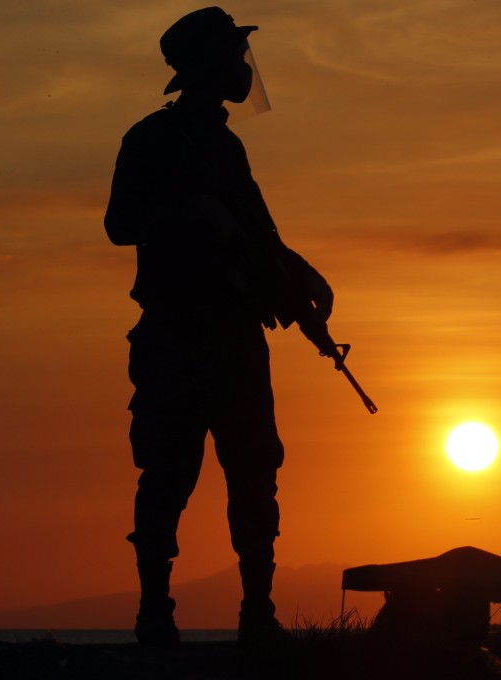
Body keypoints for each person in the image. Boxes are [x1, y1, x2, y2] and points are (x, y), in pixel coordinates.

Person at [104, 7, 335, 649]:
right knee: (167, 476)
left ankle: (256, 613)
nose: (244, 69)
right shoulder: (151, 139)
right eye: (235, 57)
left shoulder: (227, 145)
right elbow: (121, 224)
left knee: (255, 476)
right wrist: (189, 212)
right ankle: (155, 614)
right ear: (206, 65)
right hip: (176, 335)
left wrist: (302, 281)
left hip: (235, 339)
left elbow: (260, 237)